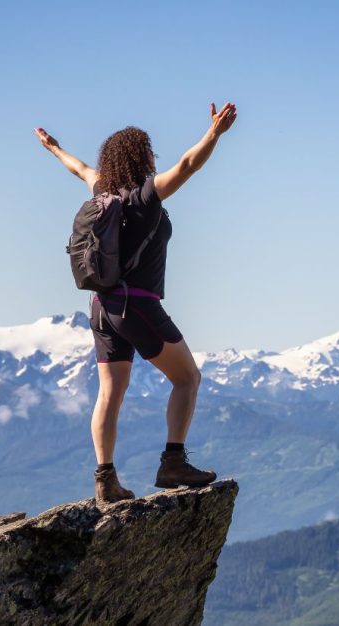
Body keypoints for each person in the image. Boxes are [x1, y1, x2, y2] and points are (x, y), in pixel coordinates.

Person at [34, 102, 238, 503]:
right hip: (137, 306)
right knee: (187, 379)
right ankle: (173, 461)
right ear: (139, 157)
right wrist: (213, 134)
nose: (153, 157)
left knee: (110, 393)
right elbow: (187, 165)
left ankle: (105, 479)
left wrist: (54, 148)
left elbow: (80, 168)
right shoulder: (145, 198)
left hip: (101, 309)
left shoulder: (102, 194)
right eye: (148, 151)